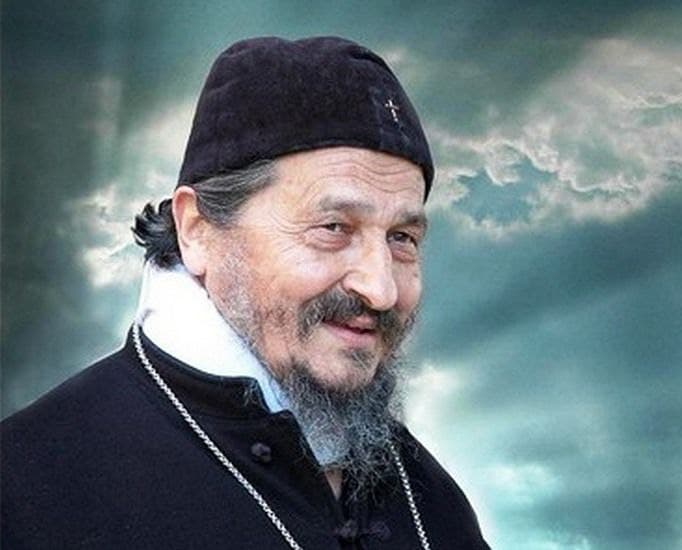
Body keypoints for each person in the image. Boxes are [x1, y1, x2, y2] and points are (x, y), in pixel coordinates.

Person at [1, 36, 490, 549]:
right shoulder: (23, 491)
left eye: (402, 238)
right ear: (197, 230)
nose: (381, 289)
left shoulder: (435, 503)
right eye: (333, 227)